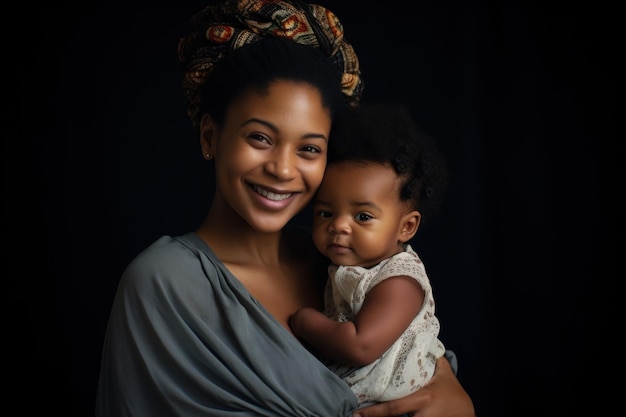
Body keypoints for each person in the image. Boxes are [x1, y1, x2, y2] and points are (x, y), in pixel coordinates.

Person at [95, 1, 475, 416]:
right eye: (260, 138)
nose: (282, 169)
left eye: (310, 148)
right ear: (209, 137)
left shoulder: (336, 259)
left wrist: (459, 402)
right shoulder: (165, 283)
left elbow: (426, 374)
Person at [289, 102, 448, 406]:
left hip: (398, 406)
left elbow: (360, 346)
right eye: (325, 212)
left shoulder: (399, 281)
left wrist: (304, 321)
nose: (338, 226)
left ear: (407, 227)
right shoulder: (340, 265)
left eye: (362, 217)